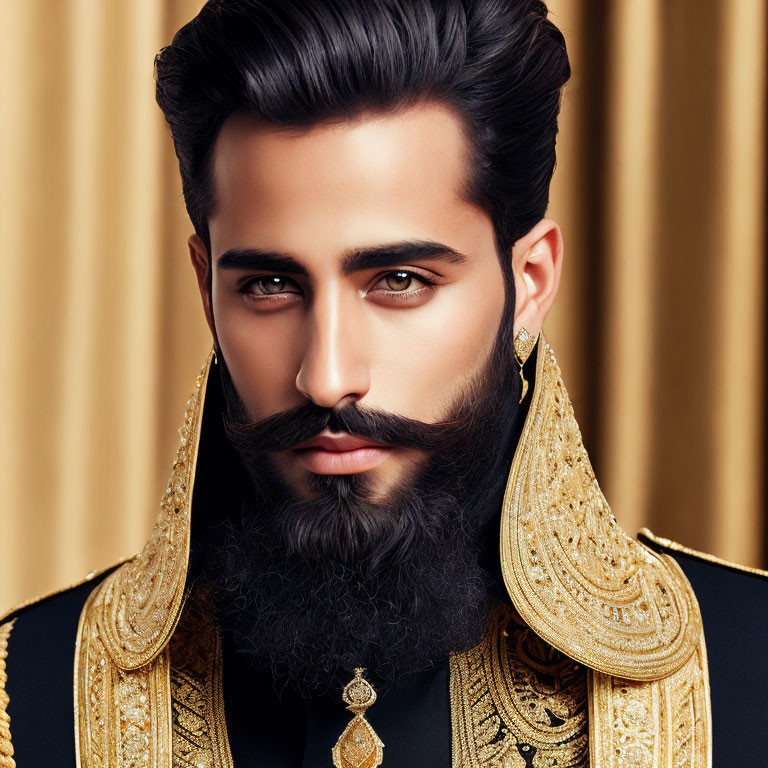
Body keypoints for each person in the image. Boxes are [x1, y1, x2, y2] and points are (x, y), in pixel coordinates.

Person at [1, 1, 765, 765]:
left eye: (398, 279)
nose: (327, 377)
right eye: (269, 285)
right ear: (207, 290)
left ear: (529, 281)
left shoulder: (747, 674)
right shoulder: (28, 694)